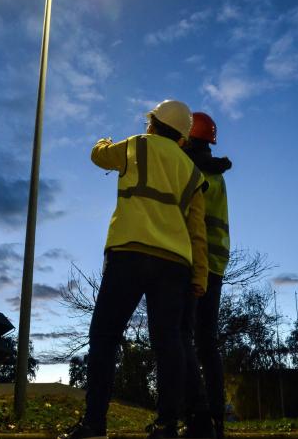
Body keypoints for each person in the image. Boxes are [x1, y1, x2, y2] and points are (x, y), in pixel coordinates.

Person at [59, 100, 209, 439]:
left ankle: (95, 423)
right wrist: (199, 276)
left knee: (105, 336)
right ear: (183, 137)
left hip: (129, 252)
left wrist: (103, 140)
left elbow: (100, 157)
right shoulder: (192, 172)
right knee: (168, 342)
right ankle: (167, 425)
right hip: (175, 264)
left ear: (152, 123)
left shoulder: (137, 145)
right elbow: (197, 232)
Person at [181, 112, 231, 439]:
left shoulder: (190, 170)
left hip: (192, 262)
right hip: (217, 264)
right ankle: (217, 418)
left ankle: (194, 416)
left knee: (182, 337)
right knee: (207, 342)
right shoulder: (217, 174)